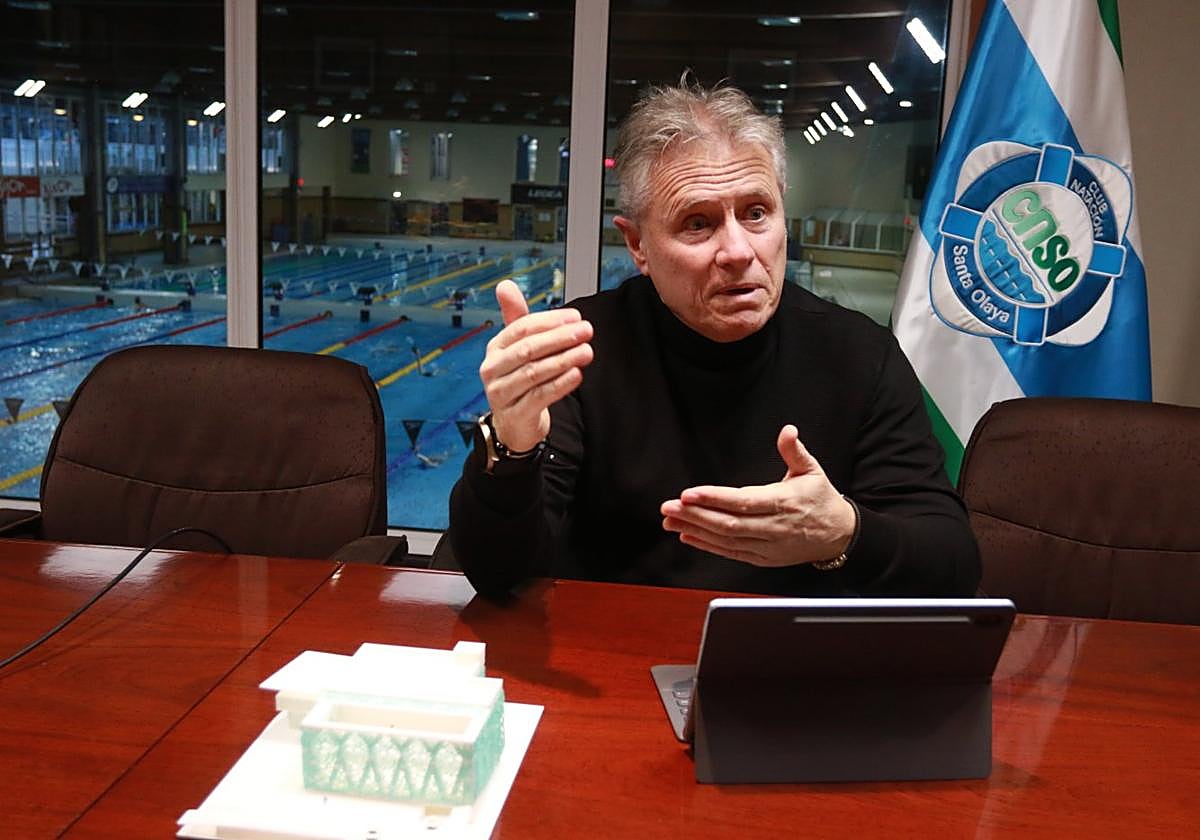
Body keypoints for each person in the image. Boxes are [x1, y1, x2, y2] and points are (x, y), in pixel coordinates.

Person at [448, 80, 979, 599]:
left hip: (785, 649)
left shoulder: (860, 355)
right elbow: (496, 574)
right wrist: (511, 448)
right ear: (638, 244)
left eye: (756, 213)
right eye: (698, 223)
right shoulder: (580, 352)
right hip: (612, 645)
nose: (739, 251)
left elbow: (952, 565)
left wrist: (845, 532)